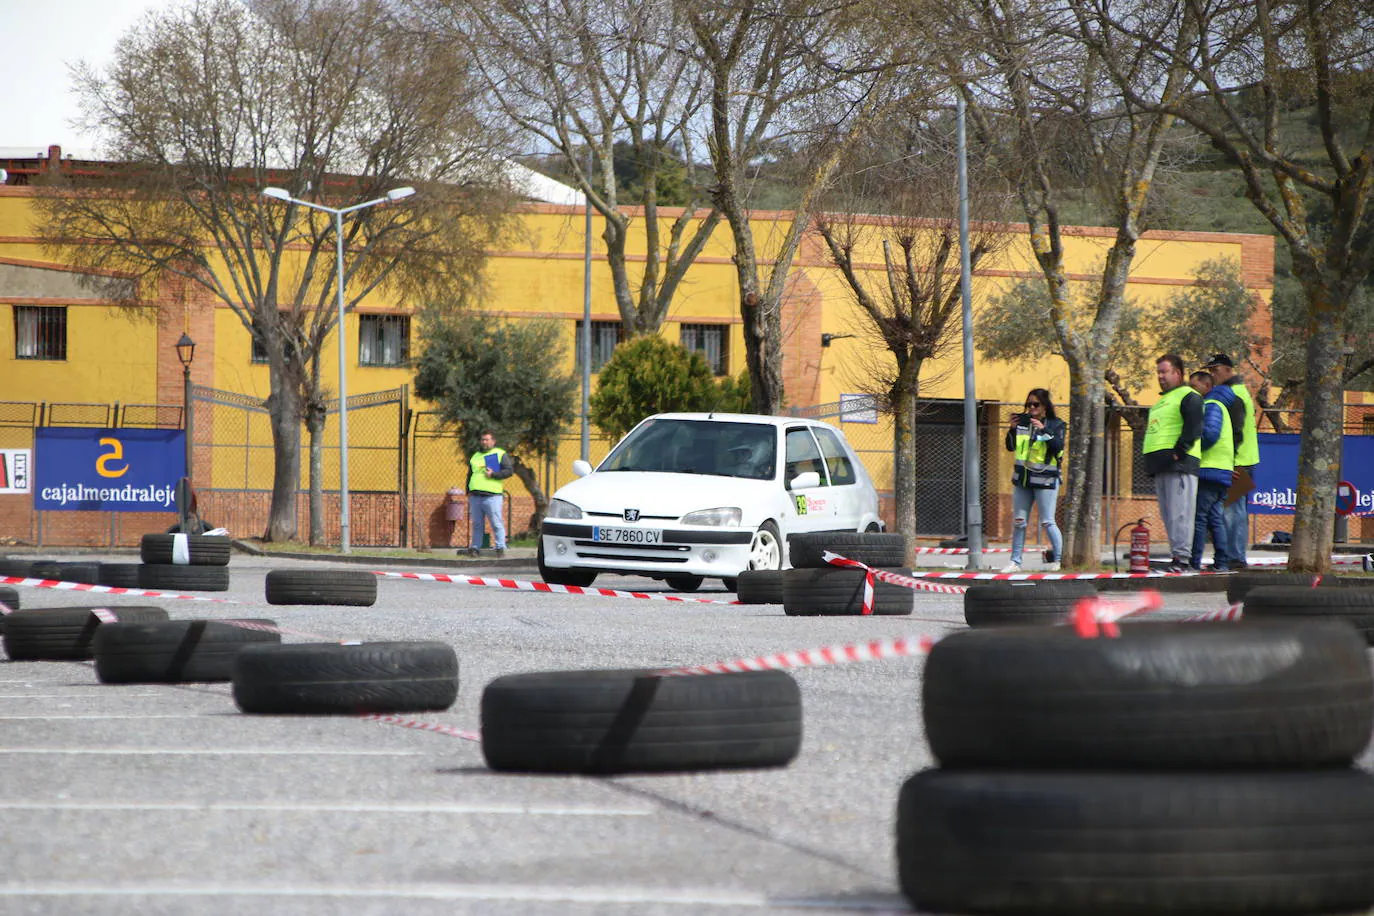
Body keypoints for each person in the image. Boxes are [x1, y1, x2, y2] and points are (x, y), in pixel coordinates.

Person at [1143, 354, 1203, 572]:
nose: (1160, 376)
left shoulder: (1189, 396)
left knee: (1181, 513)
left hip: (1179, 464)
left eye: (1164, 372)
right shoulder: (1162, 401)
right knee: (1169, 515)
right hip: (1161, 465)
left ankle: (1182, 559)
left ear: (1177, 373)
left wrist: (1179, 451)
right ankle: (1176, 556)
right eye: (1158, 372)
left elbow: (1194, 427)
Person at [1203, 353, 1259, 568]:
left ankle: (1234, 558)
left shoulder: (1232, 394)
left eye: (1215, 370)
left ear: (1228, 369)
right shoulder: (1238, 391)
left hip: (1239, 462)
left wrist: (1232, 462)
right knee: (1235, 510)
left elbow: (1236, 431)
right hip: (1243, 460)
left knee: (1232, 511)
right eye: (1210, 371)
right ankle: (1234, 556)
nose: (1212, 375)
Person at [1001, 388, 1066, 573]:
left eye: (1035, 404)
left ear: (1044, 406)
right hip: (1023, 479)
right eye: (1028, 404)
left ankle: (1058, 560)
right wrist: (1012, 430)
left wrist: (1043, 429)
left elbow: (1058, 448)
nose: (1031, 407)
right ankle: (1015, 562)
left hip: (1045, 480)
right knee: (1019, 521)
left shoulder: (1057, 424)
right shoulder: (1023, 423)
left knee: (1047, 521)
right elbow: (1010, 447)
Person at [1187, 371, 1233, 572]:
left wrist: (1191, 446)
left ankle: (1193, 561)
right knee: (1215, 518)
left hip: (1209, 469)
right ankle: (1221, 562)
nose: (1191, 391)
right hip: (1221, 470)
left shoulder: (1211, 405)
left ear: (1207, 386)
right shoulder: (1219, 405)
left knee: (1199, 517)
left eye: (1194, 386)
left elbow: (1210, 434)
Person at [466, 429, 513, 556]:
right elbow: (470, 474)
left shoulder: (499, 454)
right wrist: (468, 490)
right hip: (475, 495)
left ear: (493, 441)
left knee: (496, 522)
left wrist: (494, 474)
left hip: (492, 495)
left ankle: (500, 547)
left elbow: (509, 471)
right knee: (476, 524)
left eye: (487, 439)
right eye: (482, 440)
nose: (484, 442)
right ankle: (475, 547)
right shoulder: (475, 456)